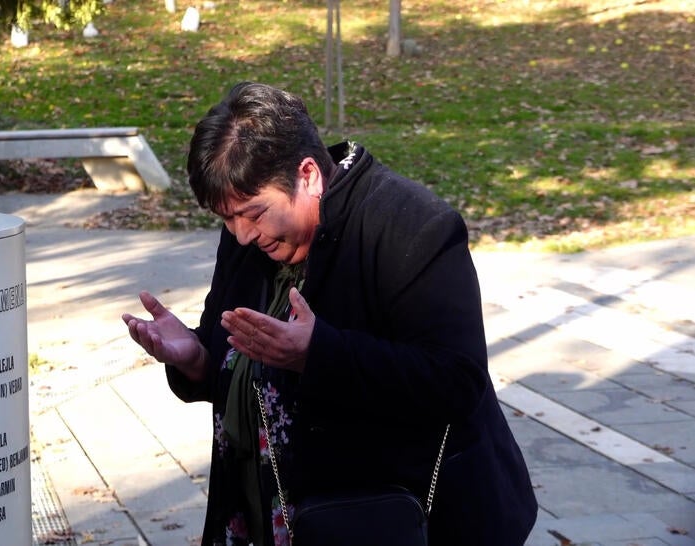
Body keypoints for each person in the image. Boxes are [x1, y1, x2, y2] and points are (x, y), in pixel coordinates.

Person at [121, 82, 537, 546]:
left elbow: (457, 382)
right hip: (273, 517)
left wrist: (319, 354)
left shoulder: (412, 224)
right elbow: (245, 368)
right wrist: (196, 359)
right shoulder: (248, 241)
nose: (241, 235)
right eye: (227, 218)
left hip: (397, 523)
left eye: (253, 214)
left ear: (308, 175)